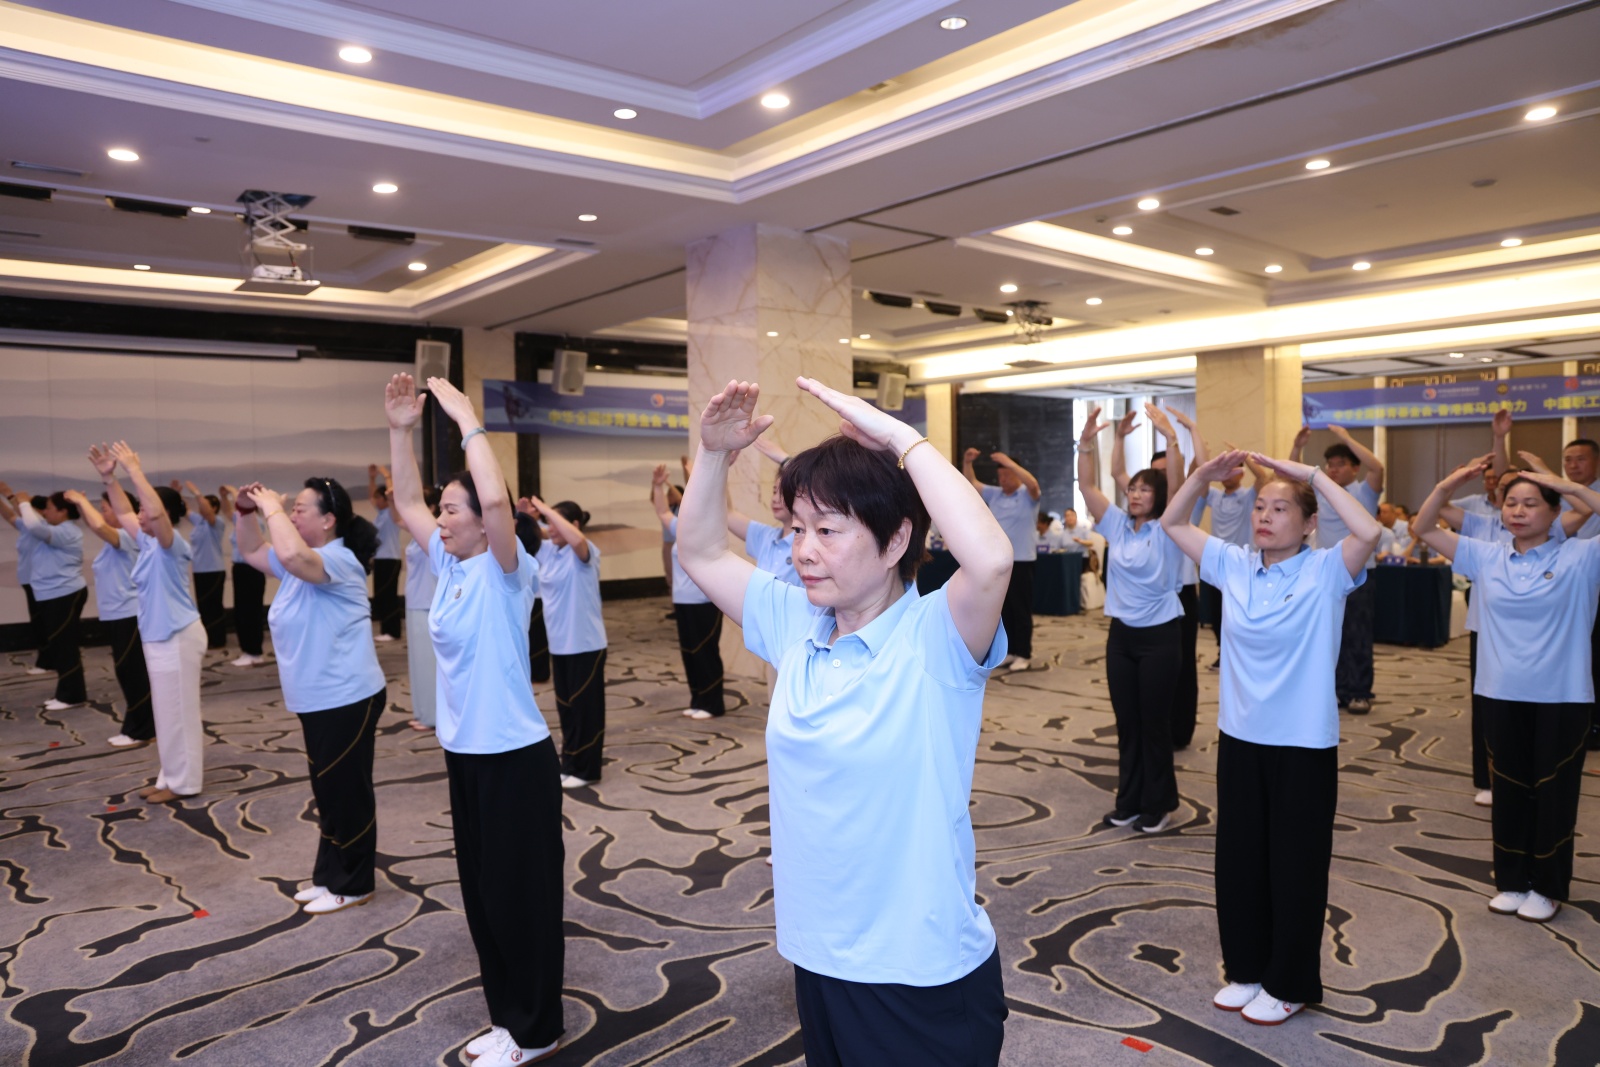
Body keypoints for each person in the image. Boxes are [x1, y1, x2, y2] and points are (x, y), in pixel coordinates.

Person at [676, 377, 1012, 1066]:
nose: (803, 550)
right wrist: (712, 456)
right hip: (819, 950)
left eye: (827, 530)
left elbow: (991, 559)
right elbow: (702, 551)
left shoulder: (935, 636)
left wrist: (902, 439)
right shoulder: (796, 621)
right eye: (798, 529)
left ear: (895, 542)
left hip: (917, 968)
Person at [1163, 446, 1380, 1025]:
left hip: (1303, 744)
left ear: (1309, 524)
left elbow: (1369, 530)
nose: (1264, 515)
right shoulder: (1233, 564)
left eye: (1281, 508)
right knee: (1239, 861)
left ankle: (1290, 981)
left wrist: (1310, 475)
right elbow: (1173, 523)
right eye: (1260, 505)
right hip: (1240, 737)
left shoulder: (1327, 570)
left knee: (1295, 866)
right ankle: (1247, 970)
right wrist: (1201, 476)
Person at [384, 372, 563, 1066]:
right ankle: (508, 1018)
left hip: (515, 756)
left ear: (483, 522)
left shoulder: (506, 569)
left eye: (451, 509)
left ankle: (538, 1028)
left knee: (521, 899)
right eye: (442, 510)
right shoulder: (452, 566)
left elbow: (494, 498)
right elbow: (404, 500)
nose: (441, 518)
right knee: (485, 896)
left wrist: (467, 420)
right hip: (465, 755)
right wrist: (400, 429)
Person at [1412, 460, 1600, 923]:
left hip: (1562, 697)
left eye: (1531, 503)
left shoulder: (1581, 557)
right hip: (1499, 693)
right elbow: (1423, 527)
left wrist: (1566, 484)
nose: (1518, 511)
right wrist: (1448, 484)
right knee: (1510, 791)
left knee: (1553, 794)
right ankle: (1513, 881)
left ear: (1555, 512)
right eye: (1511, 502)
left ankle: (1548, 887)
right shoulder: (1486, 556)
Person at [235, 476, 387, 915]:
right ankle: (329, 875)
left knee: (346, 792)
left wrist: (270, 508)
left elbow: (290, 553)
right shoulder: (303, 562)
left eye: (301, 509)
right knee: (329, 791)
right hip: (319, 699)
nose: (292, 513)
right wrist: (245, 511)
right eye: (292, 508)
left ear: (328, 520)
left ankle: (354, 883)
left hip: (346, 696)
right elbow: (251, 550)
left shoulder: (338, 560)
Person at [1079, 405, 1185, 833]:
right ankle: (1129, 800)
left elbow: (1178, 483)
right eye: (1133, 488)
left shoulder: (1170, 527)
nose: (1136, 494)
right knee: (1127, 723)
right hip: (1121, 637)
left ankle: (1159, 803)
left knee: (1154, 724)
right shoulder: (1118, 525)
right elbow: (1087, 485)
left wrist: (1171, 438)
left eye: (1145, 489)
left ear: (1159, 496)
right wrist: (1087, 443)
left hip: (1161, 637)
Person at [92, 442, 205, 804]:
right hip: (159, 637)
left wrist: (134, 471)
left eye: (145, 508)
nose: (139, 514)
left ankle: (185, 783)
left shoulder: (173, 544)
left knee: (179, 714)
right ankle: (169, 776)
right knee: (166, 713)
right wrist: (110, 478)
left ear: (164, 514)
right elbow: (125, 511)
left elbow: (153, 514)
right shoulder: (148, 542)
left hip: (178, 636)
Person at [1118, 410, 1199, 746]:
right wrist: (1118, 439)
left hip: (1179, 594)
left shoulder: (1178, 508)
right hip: (1146, 598)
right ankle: (1150, 730)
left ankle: (1178, 730)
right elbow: (1117, 473)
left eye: (1167, 472)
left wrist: (1178, 434)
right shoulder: (1136, 515)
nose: (1163, 478)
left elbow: (1187, 477)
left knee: (1181, 667)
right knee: (1143, 678)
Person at [1291, 424, 1384, 715]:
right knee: (1329, 634)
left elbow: (1377, 467)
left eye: (1340, 464)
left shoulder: (1363, 491)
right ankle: (1338, 689)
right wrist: (1297, 447)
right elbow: (1292, 478)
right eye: (1329, 464)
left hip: (1359, 573)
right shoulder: (1321, 493)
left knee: (1357, 635)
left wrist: (1346, 438)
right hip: (1326, 572)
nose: (1333, 469)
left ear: (1354, 468)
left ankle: (1359, 692)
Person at [519, 495, 608, 788]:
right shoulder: (548, 552)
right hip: (559, 645)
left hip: (586, 644)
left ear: (574, 524)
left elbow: (577, 540)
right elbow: (525, 538)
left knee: (586, 711)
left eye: (556, 523)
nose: (551, 529)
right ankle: (570, 763)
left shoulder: (585, 553)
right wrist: (525, 517)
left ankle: (587, 770)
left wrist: (545, 510)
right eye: (548, 523)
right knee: (567, 710)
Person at [64, 487, 154, 747]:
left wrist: (81, 500)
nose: (102, 514)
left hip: (130, 613)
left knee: (132, 672)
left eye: (105, 508)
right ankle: (140, 726)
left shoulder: (130, 536)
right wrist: (83, 505)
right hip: (118, 614)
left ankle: (142, 730)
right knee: (128, 672)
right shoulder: (118, 538)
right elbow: (97, 525)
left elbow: (99, 526)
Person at [0, 488, 88, 710]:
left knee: (65, 646)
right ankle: (66, 692)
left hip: (64, 593)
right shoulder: (54, 529)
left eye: (49, 508)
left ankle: (72, 696)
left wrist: (21, 501)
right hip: (53, 594)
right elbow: (25, 522)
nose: (46, 512)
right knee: (59, 645)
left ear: (63, 512)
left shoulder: (67, 531)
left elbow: (33, 525)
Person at [652, 462, 725, 719]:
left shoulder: (709, 527)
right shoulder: (680, 528)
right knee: (689, 653)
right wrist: (657, 485)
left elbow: (710, 499)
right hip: (682, 601)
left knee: (705, 653)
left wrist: (699, 477)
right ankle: (698, 699)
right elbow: (662, 512)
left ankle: (713, 703)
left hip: (704, 602)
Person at [964, 446, 1042, 671]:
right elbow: (972, 484)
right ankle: (1010, 651)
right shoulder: (995, 494)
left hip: (1023, 560)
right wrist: (967, 462)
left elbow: (1033, 484)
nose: (1003, 479)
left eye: (1007, 474)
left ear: (1016, 473)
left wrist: (1010, 462)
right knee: (1003, 608)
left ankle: (1024, 653)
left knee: (1021, 609)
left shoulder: (1027, 495)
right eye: (1000, 475)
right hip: (999, 561)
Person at [404, 486, 442, 732]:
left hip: (427, 602)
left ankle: (432, 716)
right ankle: (422, 711)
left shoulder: (434, 533)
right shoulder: (420, 532)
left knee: (429, 664)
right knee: (418, 663)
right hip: (415, 601)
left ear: (430, 508)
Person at [2, 489, 50, 674]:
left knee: (42, 623)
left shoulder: (41, 526)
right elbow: (10, 516)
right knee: (39, 622)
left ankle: (46, 662)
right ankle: (48, 660)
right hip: (30, 581)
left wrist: (10, 496)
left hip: (40, 582)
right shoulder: (29, 527)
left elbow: (21, 513)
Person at [220, 485, 268, 668]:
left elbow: (238, 508)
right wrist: (224, 497)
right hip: (240, 569)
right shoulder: (240, 521)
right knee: (241, 612)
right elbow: (228, 512)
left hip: (252, 569)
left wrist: (235, 493)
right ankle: (247, 650)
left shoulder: (256, 521)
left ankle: (254, 651)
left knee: (251, 612)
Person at [177, 480, 228, 652]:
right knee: (204, 607)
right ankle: (207, 639)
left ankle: (218, 639)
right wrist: (177, 494)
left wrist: (197, 493)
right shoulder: (199, 522)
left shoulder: (217, 522)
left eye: (206, 504)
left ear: (214, 507)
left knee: (214, 607)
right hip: (200, 571)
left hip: (214, 570)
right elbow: (185, 510)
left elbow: (207, 512)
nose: (202, 507)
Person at [369, 464, 404, 642]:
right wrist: (372, 478)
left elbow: (392, 495)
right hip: (381, 559)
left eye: (378, 498)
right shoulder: (381, 514)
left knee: (388, 596)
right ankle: (386, 630)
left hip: (391, 559)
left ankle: (393, 631)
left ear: (385, 499)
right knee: (381, 596)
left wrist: (386, 476)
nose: (375, 501)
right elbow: (371, 495)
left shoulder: (391, 513)